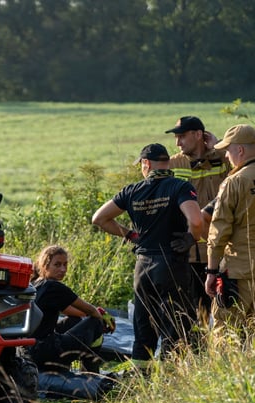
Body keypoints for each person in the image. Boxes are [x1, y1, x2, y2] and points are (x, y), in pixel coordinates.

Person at [92, 143, 203, 365]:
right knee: (177, 324)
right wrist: (192, 237)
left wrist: (130, 235)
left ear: (146, 164)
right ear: (167, 163)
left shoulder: (132, 191)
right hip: (171, 264)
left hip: (143, 267)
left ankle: (141, 376)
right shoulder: (179, 187)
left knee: (144, 327)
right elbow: (197, 220)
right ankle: (173, 377)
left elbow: (99, 219)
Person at [165, 116, 231, 322]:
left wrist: (219, 147)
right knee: (196, 314)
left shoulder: (221, 158)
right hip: (189, 254)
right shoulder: (173, 164)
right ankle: (199, 351)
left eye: (182, 136)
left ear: (199, 135)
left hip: (222, 251)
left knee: (226, 311)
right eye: (176, 137)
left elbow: (244, 168)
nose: (178, 143)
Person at [29, 245, 115, 375]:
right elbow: (92, 311)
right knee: (96, 323)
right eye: (57, 265)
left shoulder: (37, 283)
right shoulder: (54, 287)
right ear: (45, 265)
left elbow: (75, 312)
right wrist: (104, 318)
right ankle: (91, 373)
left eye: (65, 265)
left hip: (30, 350)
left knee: (74, 321)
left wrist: (94, 313)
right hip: (45, 353)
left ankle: (78, 369)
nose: (63, 269)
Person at [203, 124, 255, 331]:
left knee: (227, 332)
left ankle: (227, 365)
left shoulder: (235, 182)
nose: (226, 156)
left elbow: (219, 230)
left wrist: (211, 271)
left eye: (227, 150)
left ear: (240, 150)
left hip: (238, 271)